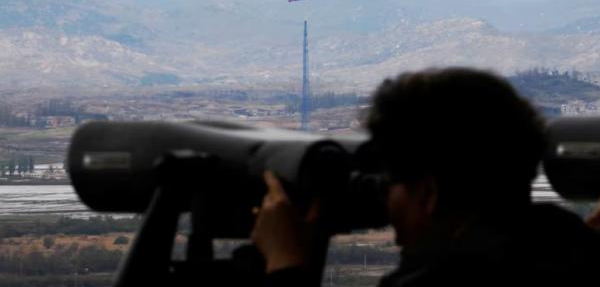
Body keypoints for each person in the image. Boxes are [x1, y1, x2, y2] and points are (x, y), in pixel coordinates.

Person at [251, 68, 600, 287]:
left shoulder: (443, 280)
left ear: (429, 193)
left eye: (391, 182)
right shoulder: (572, 247)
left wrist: (286, 266)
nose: (385, 198)